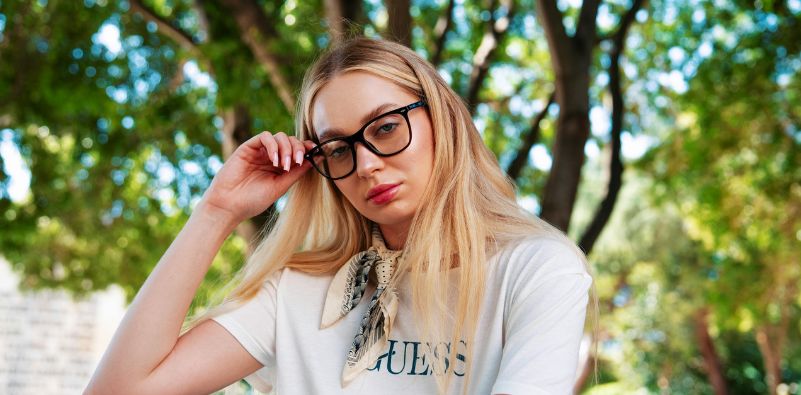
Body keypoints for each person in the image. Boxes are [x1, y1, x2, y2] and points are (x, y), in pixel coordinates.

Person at [85, 37, 593, 395]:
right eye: (338, 149)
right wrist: (216, 211)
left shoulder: (536, 269)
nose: (366, 164)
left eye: (386, 128)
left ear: (443, 119)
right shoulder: (296, 291)